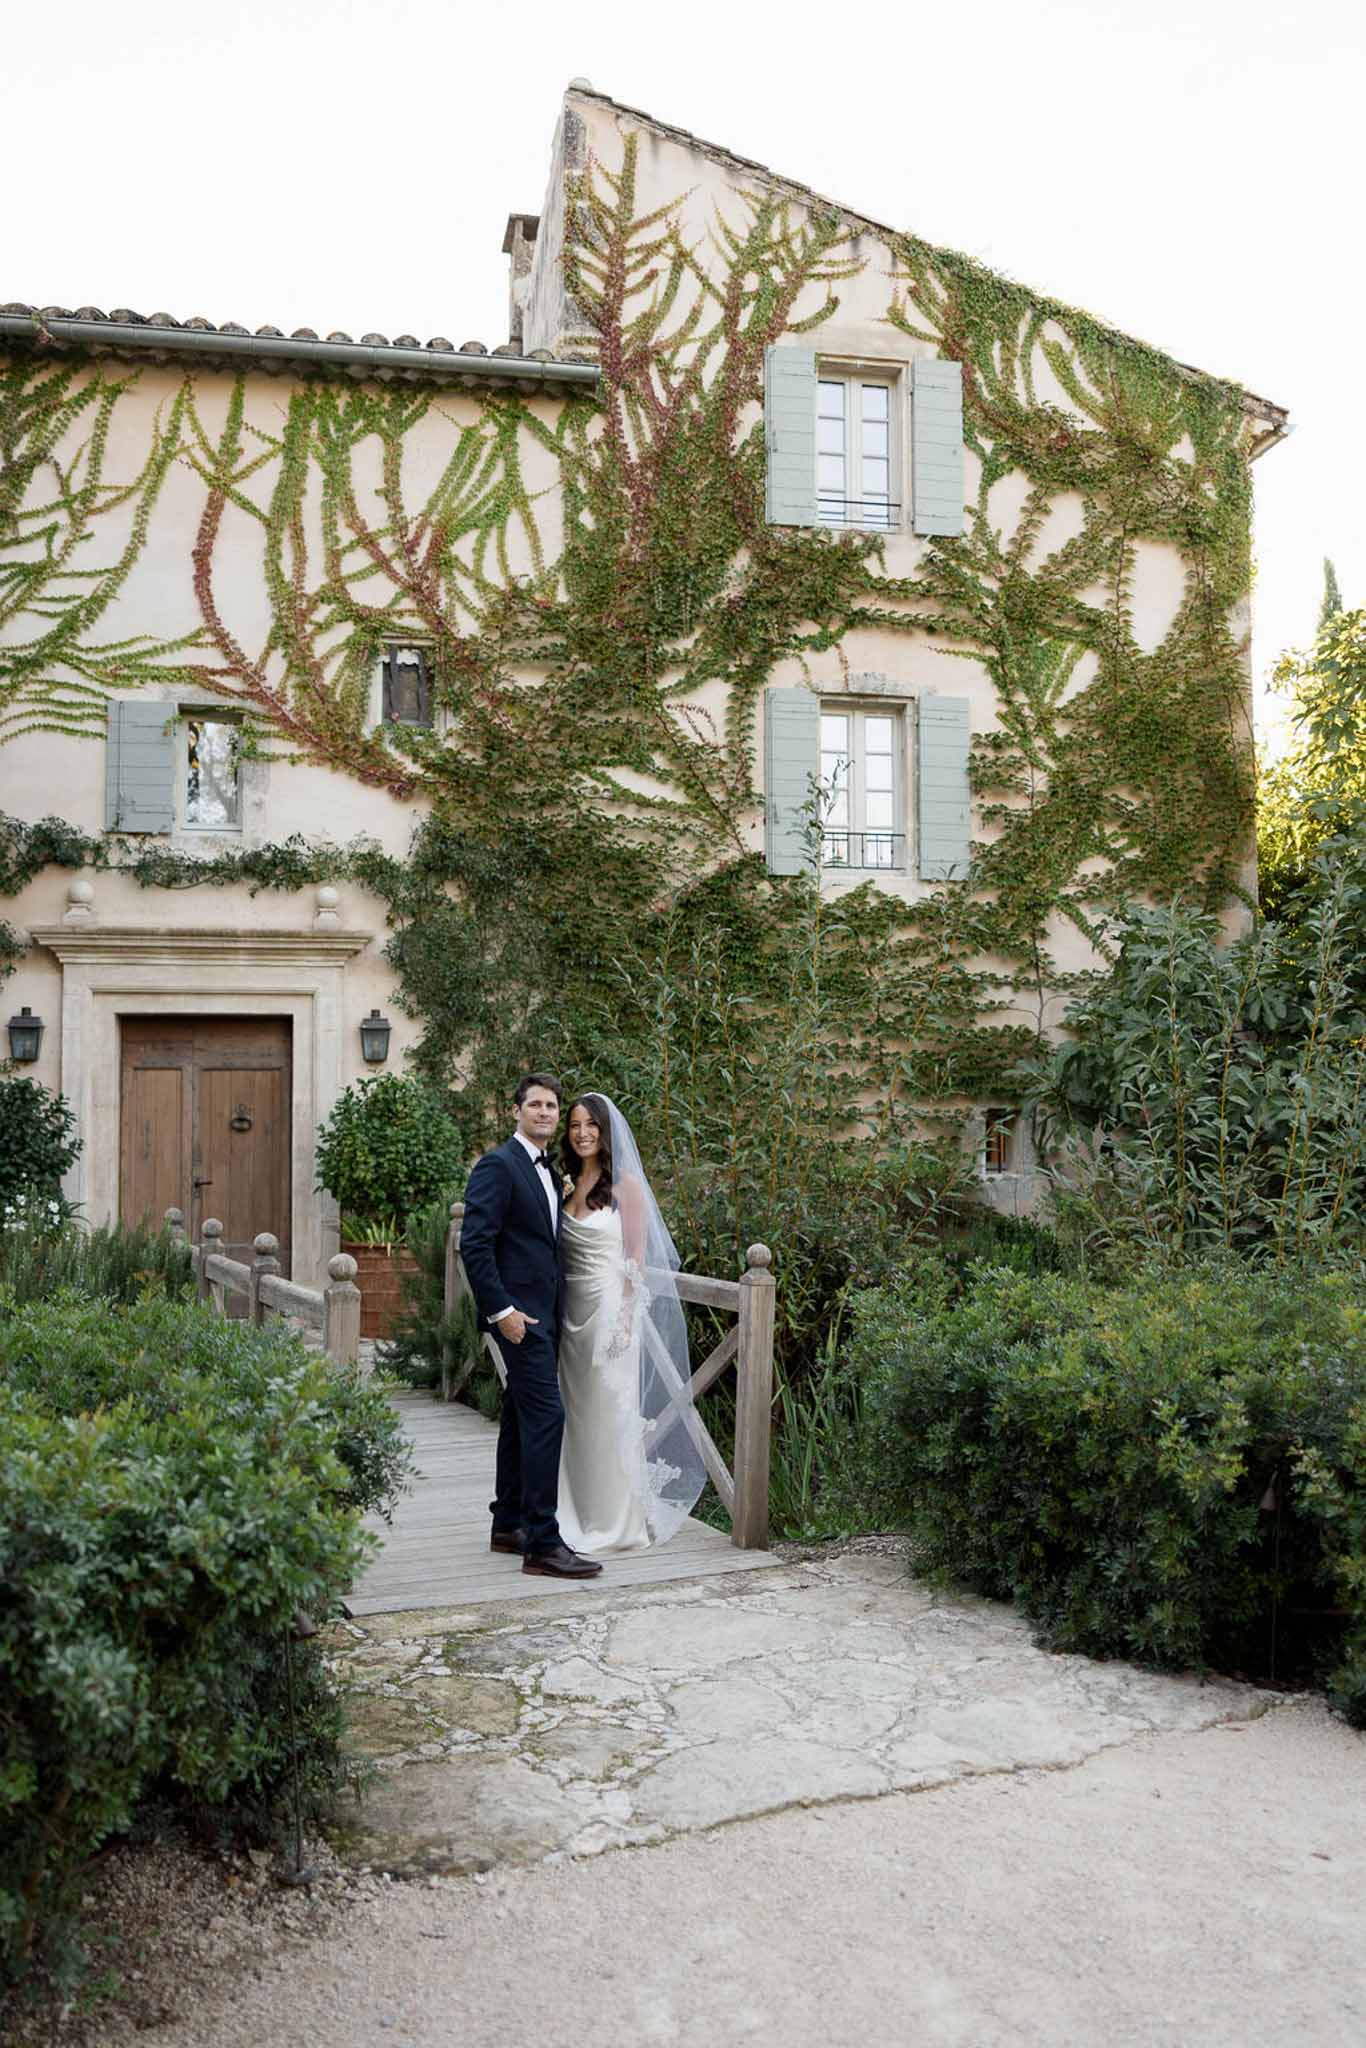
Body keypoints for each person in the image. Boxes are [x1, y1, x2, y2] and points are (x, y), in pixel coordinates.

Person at [458, 1073, 602, 1579]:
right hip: (519, 1319)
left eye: (552, 1106)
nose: (545, 1113)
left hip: (548, 1313)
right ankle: (543, 1543)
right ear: (516, 1110)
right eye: (536, 1104)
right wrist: (502, 1313)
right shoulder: (498, 1165)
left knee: (521, 1415)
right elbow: (474, 1244)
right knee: (547, 1418)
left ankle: (507, 1523)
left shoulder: (550, 1168)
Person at [555, 1092, 707, 1553]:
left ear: (605, 1131)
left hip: (609, 1317)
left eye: (591, 1125)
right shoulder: (565, 1184)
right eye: (575, 1124)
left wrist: (625, 1321)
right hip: (569, 1316)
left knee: (608, 1414)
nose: (582, 1133)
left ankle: (613, 1520)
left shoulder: (626, 1188)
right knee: (575, 1418)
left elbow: (636, 1261)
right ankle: (571, 1512)